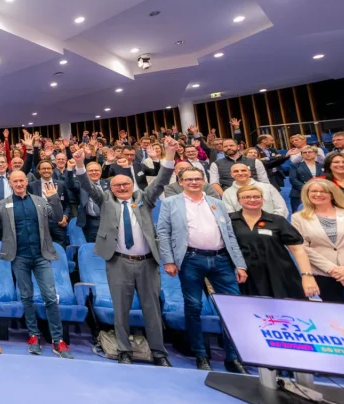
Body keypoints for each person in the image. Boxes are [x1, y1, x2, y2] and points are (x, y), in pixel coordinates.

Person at [73, 138, 176, 366]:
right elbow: (88, 185)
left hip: (147, 263)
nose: (122, 188)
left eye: (126, 185)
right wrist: (80, 163)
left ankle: (159, 353)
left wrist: (168, 156)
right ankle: (124, 351)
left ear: (132, 186)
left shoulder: (144, 200)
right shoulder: (105, 201)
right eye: (117, 185)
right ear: (110, 188)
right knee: (121, 309)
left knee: (152, 309)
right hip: (118, 262)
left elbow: (161, 181)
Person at [156, 167, 248, 373]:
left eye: (198, 179)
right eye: (189, 179)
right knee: (193, 305)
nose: (194, 182)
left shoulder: (217, 203)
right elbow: (163, 232)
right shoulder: (170, 203)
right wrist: (169, 260)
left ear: (204, 181)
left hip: (222, 260)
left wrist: (239, 263)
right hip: (191, 259)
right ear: (181, 182)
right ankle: (200, 354)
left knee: (232, 308)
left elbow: (230, 235)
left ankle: (233, 357)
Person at [0, 169, 72, 358]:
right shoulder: (4, 203)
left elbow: (57, 218)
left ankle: (58, 339)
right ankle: (34, 335)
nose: (18, 184)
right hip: (19, 256)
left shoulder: (40, 201)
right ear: (10, 183)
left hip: (42, 255)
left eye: (21, 180)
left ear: (26, 181)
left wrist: (54, 199)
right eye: (14, 181)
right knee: (27, 297)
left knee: (50, 296)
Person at [291, 179, 344, 316]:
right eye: (314, 191)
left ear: (333, 194)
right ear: (307, 194)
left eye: (324, 191)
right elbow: (303, 248)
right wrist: (334, 270)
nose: (319, 194)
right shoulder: (298, 218)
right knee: (337, 317)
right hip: (325, 274)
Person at [230, 184, 317, 300]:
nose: (252, 200)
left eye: (256, 197)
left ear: (262, 199)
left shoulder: (277, 220)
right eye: (246, 197)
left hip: (279, 274)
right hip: (245, 275)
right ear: (238, 200)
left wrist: (307, 275)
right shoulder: (229, 220)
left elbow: (297, 250)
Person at [220, 163, 288, 218]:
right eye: (236, 171)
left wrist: (273, 223)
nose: (240, 173)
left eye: (243, 170)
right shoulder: (227, 193)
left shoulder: (267, 187)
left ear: (249, 173)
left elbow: (281, 208)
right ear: (231, 175)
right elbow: (230, 214)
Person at [74, 159, 108, 242]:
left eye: (96, 170)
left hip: (108, 221)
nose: (94, 172)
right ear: (86, 173)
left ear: (100, 172)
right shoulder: (80, 185)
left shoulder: (110, 184)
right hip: (91, 222)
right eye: (91, 171)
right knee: (92, 248)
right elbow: (69, 183)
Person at [288, 146, 323, 210]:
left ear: (315, 154)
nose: (307, 154)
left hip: (320, 193)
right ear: (302, 155)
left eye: (310, 152)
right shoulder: (295, 166)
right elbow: (293, 179)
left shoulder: (322, 166)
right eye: (304, 152)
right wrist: (307, 188)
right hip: (299, 193)